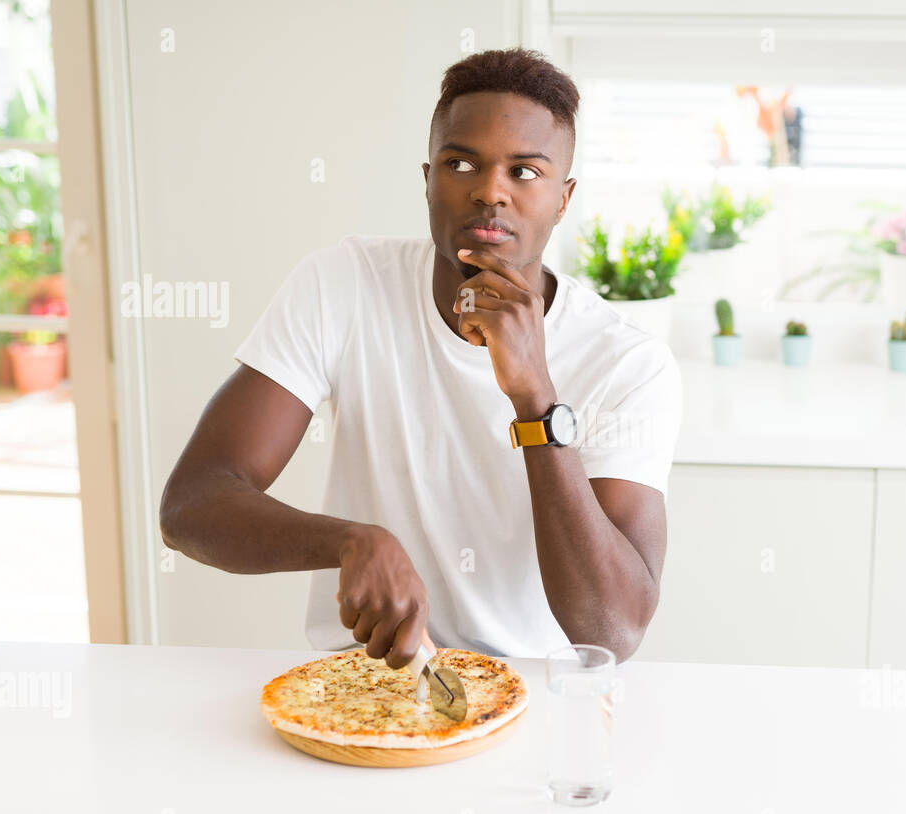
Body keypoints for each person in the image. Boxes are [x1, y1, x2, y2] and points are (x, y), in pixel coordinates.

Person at [159, 48, 682, 668]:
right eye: (462, 163)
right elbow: (192, 503)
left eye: (525, 172)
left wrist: (535, 398)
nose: (491, 191)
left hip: (538, 693)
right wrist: (350, 541)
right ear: (428, 178)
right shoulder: (345, 285)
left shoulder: (628, 362)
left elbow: (614, 628)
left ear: (563, 200)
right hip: (367, 681)